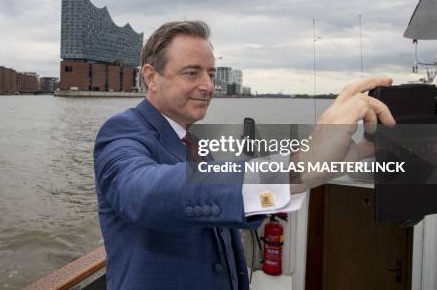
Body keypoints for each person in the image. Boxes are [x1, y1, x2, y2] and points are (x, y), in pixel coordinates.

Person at [93, 20, 395, 290]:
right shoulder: (121, 131)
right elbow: (144, 193)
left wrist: (319, 168)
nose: (208, 86)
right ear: (151, 77)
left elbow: (232, 203)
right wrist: (295, 165)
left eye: (211, 73)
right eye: (191, 73)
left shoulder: (193, 143)